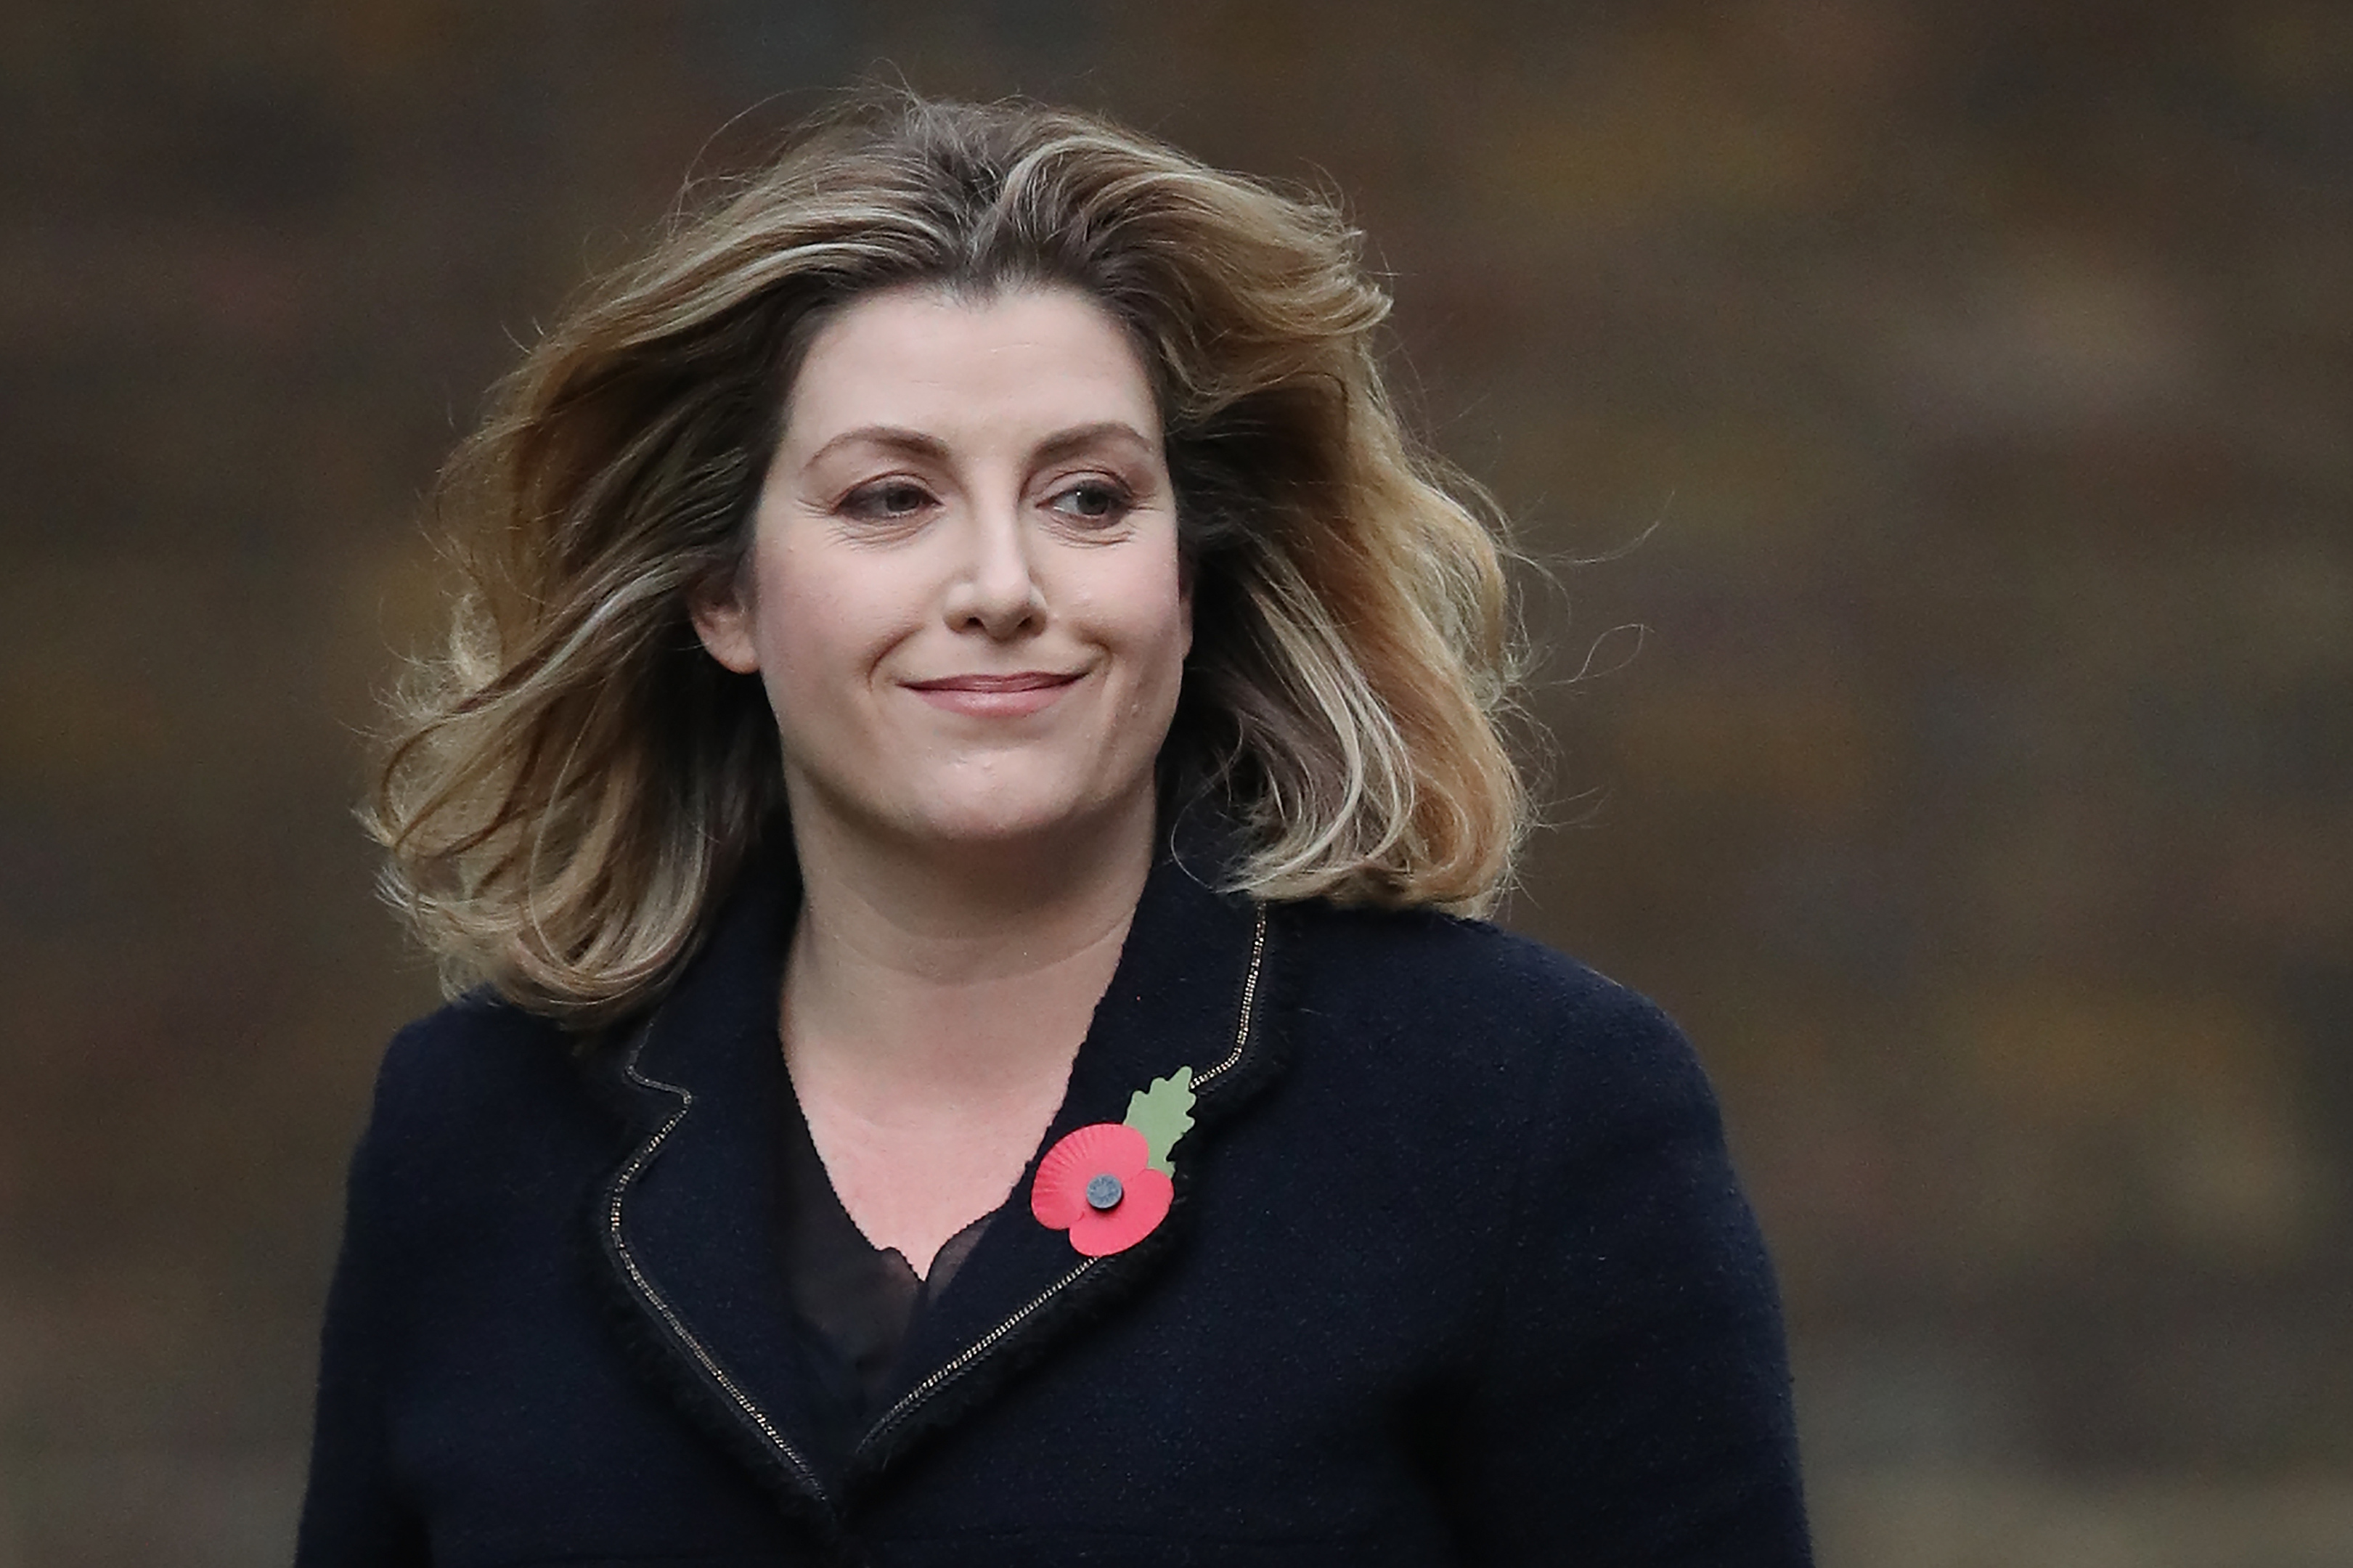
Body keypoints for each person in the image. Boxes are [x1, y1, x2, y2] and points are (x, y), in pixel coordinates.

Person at [296, 94, 1811, 1567]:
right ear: (726, 596)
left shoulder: (1524, 1109)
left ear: (1187, 576)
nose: (1002, 582)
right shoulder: (473, 1125)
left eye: (1089, 497)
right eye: (890, 498)